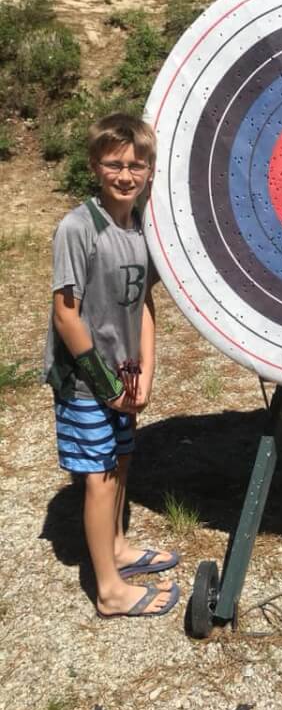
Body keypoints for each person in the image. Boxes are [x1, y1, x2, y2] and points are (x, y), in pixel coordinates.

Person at [44, 113, 180, 618]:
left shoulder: (141, 227)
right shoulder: (78, 228)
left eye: (136, 166)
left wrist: (143, 370)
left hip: (122, 375)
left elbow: (144, 301)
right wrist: (104, 385)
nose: (125, 175)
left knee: (122, 459)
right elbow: (66, 314)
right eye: (114, 164)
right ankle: (108, 589)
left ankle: (118, 547)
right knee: (99, 475)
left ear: (149, 171)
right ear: (94, 167)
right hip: (85, 381)